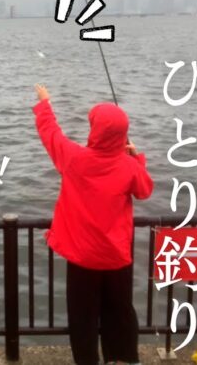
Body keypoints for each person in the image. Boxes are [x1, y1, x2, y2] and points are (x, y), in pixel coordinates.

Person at [32, 84, 153, 365]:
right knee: (120, 312)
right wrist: (136, 158)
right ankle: (122, 359)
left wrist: (44, 103)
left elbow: (50, 134)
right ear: (122, 133)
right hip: (116, 258)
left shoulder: (74, 159)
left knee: (82, 317)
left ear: (94, 129)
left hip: (83, 257)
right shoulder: (128, 166)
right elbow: (145, 190)